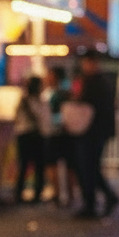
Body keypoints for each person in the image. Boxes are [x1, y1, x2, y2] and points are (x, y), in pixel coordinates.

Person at [72, 50, 119, 219]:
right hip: (96, 132)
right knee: (90, 168)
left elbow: (86, 107)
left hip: (92, 132)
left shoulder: (95, 83)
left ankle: (92, 204)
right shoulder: (100, 82)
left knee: (88, 167)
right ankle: (104, 197)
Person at [43, 65, 78, 206]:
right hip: (69, 132)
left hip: (56, 132)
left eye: (49, 74)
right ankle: (70, 195)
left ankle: (58, 194)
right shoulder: (69, 90)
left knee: (53, 163)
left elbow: (52, 115)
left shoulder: (54, 94)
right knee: (69, 164)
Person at [13, 75, 49, 203]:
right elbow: (45, 119)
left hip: (24, 135)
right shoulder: (38, 101)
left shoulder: (25, 100)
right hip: (36, 136)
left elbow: (16, 117)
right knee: (37, 166)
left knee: (24, 165)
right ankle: (36, 193)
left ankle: (20, 193)